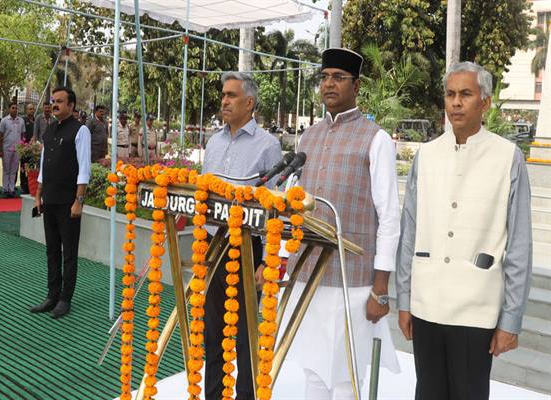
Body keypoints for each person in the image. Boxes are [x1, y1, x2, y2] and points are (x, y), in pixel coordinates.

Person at [396, 62, 532, 400]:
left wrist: (510, 319)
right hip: (427, 303)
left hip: (477, 308)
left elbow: (519, 245)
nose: (456, 102)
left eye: (466, 94)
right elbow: (409, 232)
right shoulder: (427, 155)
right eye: (450, 94)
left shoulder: (507, 157)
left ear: (485, 102)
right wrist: (405, 300)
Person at [280, 48, 401, 399]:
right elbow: (295, 203)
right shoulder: (308, 137)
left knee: (347, 374)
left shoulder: (376, 138)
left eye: (338, 77)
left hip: (354, 279)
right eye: (324, 77)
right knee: (313, 370)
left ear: (356, 85)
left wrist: (380, 288)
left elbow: (389, 215)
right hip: (308, 273)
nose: (329, 84)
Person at [202, 72, 282, 400]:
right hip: (211, 246)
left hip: (247, 247)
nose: (224, 101)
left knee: (246, 332)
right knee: (212, 330)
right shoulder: (213, 141)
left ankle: (246, 395)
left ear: (249, 103)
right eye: (223, 94)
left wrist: (268, 260)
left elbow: (275, 207)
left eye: (231, 95)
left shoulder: (268, 145)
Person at [30, 86, 91, 319]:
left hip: (68, 201)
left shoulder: (80, 130)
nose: (54, 104)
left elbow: (84, 169)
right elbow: (44, 164)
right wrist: (38, 194)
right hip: (50, 198)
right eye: (53, 101)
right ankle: (52, 295)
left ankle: (65, 299)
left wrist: (79, 201)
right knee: (52, 250)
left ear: (71, 105)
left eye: (60, 101)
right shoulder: (50, 129)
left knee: (69, 252)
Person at [0, 102, 25, 198]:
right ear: (9, 109)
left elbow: (23, 135)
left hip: (17, 149)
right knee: (6, 169)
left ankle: (12, 189)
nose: (15, 110)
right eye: (13, 108)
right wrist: (0, 149)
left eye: (16, 108)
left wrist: (22, 147)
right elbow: (0, 135)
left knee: (14, 170)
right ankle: (5, 189)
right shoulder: (4, 120)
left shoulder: (21, 120)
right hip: (6, 148)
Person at [21, 103, 36, 194]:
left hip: (34, 149)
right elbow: (21, 134)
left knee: (33, 168)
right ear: (26, 110)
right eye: (30, 109)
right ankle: (23, 186)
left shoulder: (36, 120)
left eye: (33, 109)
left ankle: (31, 186)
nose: (32, 110)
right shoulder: (23, 120)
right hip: (25, 148)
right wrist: (23, 146)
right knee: (24, 168)